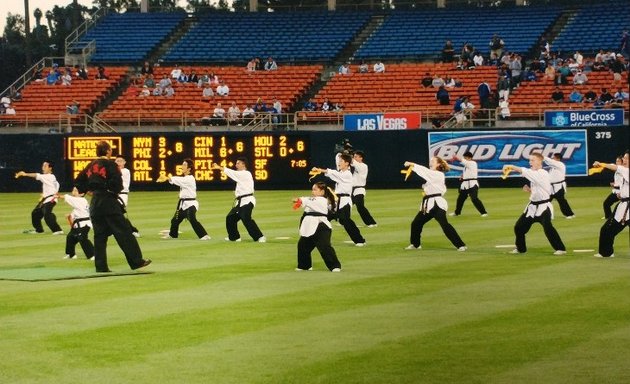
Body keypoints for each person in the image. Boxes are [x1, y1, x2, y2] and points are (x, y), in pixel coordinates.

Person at [74, 141, 151, 272]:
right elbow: (118, 185)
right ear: (108, 151)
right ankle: (136, 261)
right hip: (108, 202)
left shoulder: (90, 165)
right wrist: (108, 190)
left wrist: (91, 191)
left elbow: (79, 182)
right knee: (124, 232)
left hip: (95, 204)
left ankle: (101, 266)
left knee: (99, 236)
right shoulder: (111, 164)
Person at [502, 153, 567, 255]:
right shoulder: (535, 173)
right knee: (518, 227)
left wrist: (512, 167)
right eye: (530, 160)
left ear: (539, 161)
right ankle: (521, 249)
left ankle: (560, 249)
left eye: (532, 160)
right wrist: (530, 190)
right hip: (532, 207)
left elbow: (526, 172)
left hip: (544, 206)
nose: (530, 162)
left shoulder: (543, 173)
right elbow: (541, 189)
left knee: (548, 227)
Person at [403, 158, 467, 251]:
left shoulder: (438, 174)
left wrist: (412, 164)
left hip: (437, 204)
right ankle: (415, 244)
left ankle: (461, 245)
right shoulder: (432, 176)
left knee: (444, 225)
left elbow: (425, 171)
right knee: (416, 223)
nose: (430, 162)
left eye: (433, 161)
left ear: (438, 164)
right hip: (428, 205)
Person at [311, 153, 366, 246]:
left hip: (344, 201)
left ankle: (360, 240)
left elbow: (333, 173)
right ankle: (315, 238)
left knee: (345, 220)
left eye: (341, 161)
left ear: (347, 163)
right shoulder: (341, 173)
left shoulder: (347, 174)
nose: (339, 163)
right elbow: (333, 173)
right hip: (336, 201)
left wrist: (320, 170)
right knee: (324, 217)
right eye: (339, 161)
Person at [211, 158, 266, 243]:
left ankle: (260, 236)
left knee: (245, 218)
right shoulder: (241, 175)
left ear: (243, 164)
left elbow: (232, 173)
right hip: (240, 201)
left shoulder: (246, 173)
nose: (236, 165)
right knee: (230, 218)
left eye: (238, 163)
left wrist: (219, 167)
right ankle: (234, 237)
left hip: (247, 200)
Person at [293, 182, 341, 272]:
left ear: (322, 192)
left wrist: (299, 200)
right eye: (312, 189)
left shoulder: (321, 200)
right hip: (310, 226)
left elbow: (307, 200)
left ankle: (334, 266)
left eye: (315, 189)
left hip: (321, 227)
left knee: (324, 246)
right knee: (303, 246)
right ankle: (305, 266)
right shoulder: (313, 201)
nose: (312, 192)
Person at [158, 158, 210, 241]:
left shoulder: (190, 178)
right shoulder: (186, 178)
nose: (182, 166)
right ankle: (173, 235)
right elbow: (182, 183)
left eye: (184, 165)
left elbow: (181, 181)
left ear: (189, 168)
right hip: (183, 204)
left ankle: (204, 235)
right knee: (175, 220)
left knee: (192, 219)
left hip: (191, 204)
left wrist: (168, 178)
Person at [592, 151, 628, 258]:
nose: (624, 161)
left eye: (626, 159)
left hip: (626, 209)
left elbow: (616, 167)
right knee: (607, 230)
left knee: (606, 230)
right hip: (624, 204)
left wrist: (601, 164)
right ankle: (606, 252)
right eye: (624, 159)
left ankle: (606, 253)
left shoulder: (627, 170)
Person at [15, 161, 64, 235]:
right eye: (42, 166)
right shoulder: (50, 178)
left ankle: (58, 230)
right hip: (46, 199)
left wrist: (25, 174)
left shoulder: (50, 176)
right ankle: (39, 230)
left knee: (47, 214)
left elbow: (37, 175)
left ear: (50, 168)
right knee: (35, 213)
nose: (43, 168)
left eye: (45, 166)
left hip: (50, 199)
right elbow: (56, 187)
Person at [58, 189, 94, 260]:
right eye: (73, 190)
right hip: (78, 224)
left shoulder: (81, 200)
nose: (73, 192)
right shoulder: (78, 203)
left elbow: (68, 198)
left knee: (82, 238)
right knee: (70, 237)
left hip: (84, 224)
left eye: (76, 191)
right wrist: (70, 216)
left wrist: (58, 196)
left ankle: (93, 255)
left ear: (81, 194)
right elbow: (76, 213)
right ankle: (71, 254)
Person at [450, 152, 488, 217]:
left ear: (469, 157)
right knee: (460, 199)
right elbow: (466, 171)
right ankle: (457, 212)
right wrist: (462, 176)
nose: (464, 158)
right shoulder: (466, 166)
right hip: (465, 185)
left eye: (465, 157)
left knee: (474, 199)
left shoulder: (473, 163)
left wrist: (456, 157)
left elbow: (464, 161)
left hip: (472, 184)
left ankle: (484, 212)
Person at [115, 156, 140, 237]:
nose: (118, 162)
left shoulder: (125, 171)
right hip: (114, 195)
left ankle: (133, 230)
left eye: (120, 161)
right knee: (115, 214)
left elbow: (117, 176)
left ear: (124, 162)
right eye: (117, 161)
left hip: (122, 195)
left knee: (119, 214)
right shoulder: (114, 170)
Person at [543, 154, 575, 219]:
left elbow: (550, 161)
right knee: (545, 201)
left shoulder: (560, 164)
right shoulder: (553, 167)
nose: (552, 158)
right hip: (551, 188)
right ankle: (542, 214)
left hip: (559, 187)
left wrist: (542, 156)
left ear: (557, 158)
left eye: (553, 157)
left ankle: (570, 214)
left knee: (561, 201)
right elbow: (548, 162)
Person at [351, 151, 377, 228]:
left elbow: (355, 164)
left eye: (356, 156)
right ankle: (342, 221)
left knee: (360, 207)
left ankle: (371, 222)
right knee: (345, 206)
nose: (354, 158)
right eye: (354, 156)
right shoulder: (353, 165)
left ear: (361, 158)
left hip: (359, 190)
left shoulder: (363, 166)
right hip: (351, 190)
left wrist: (350, 156)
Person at [602, 155, 623, 220]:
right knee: (607, 203)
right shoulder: (617, 169)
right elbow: (611, 165)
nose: (617, 162)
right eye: (616, 161)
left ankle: (609, 217)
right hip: (617, 191)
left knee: (606, 203)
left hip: (620, 192)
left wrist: (615, 185)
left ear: (622, 162)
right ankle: (609, 217)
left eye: (618, 161)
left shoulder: (622, 170)